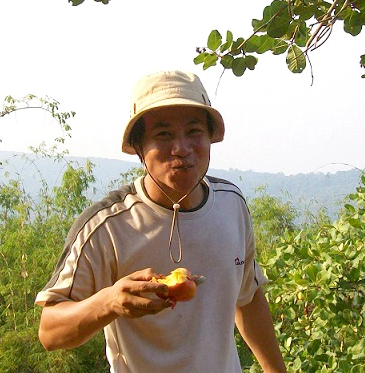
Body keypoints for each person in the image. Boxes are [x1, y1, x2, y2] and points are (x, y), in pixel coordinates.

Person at [35, 70, 286, 373]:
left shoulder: (231, 205)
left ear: (210, 138)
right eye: (163, 134)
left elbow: (247, 298)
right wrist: (110, 302)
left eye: (194, 132)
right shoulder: (107, 226)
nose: (181, 148)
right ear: (139, 148)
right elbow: (50, 332)